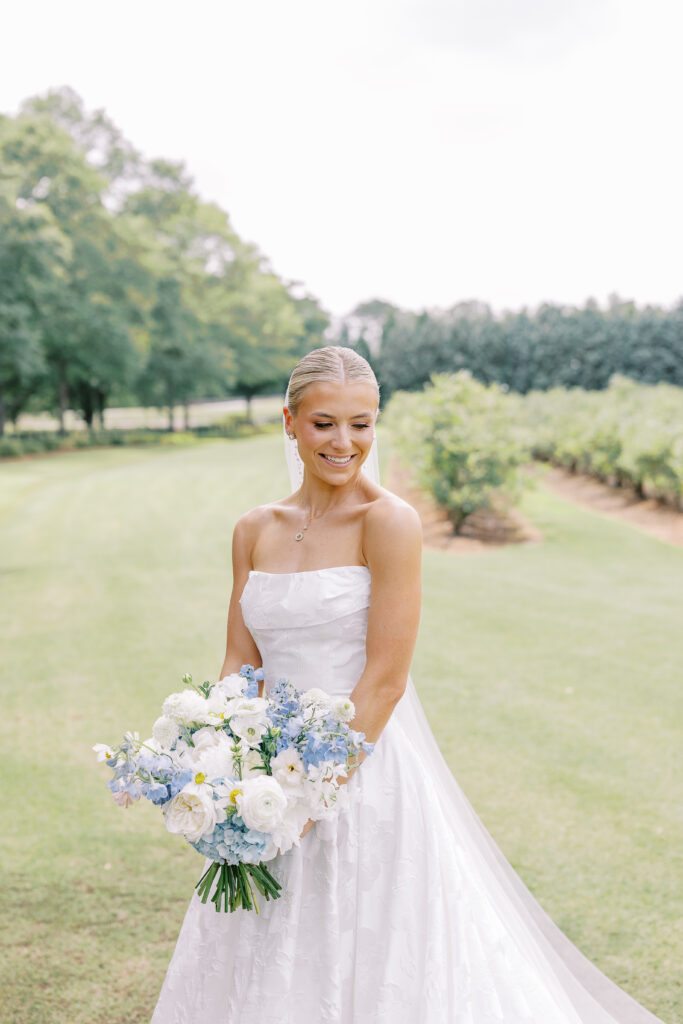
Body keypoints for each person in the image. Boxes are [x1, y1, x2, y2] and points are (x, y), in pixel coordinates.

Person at [151, 346, 664, 1024]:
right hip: (264, 781)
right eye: (324, 423)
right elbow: (239, 665)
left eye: (361, 424)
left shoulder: (388, 522)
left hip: (360, 777)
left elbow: (386, 680)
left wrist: (306, 800)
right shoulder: (254, 530)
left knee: (370, 953)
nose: (344, 442)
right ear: (290, 422)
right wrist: (224, 774)